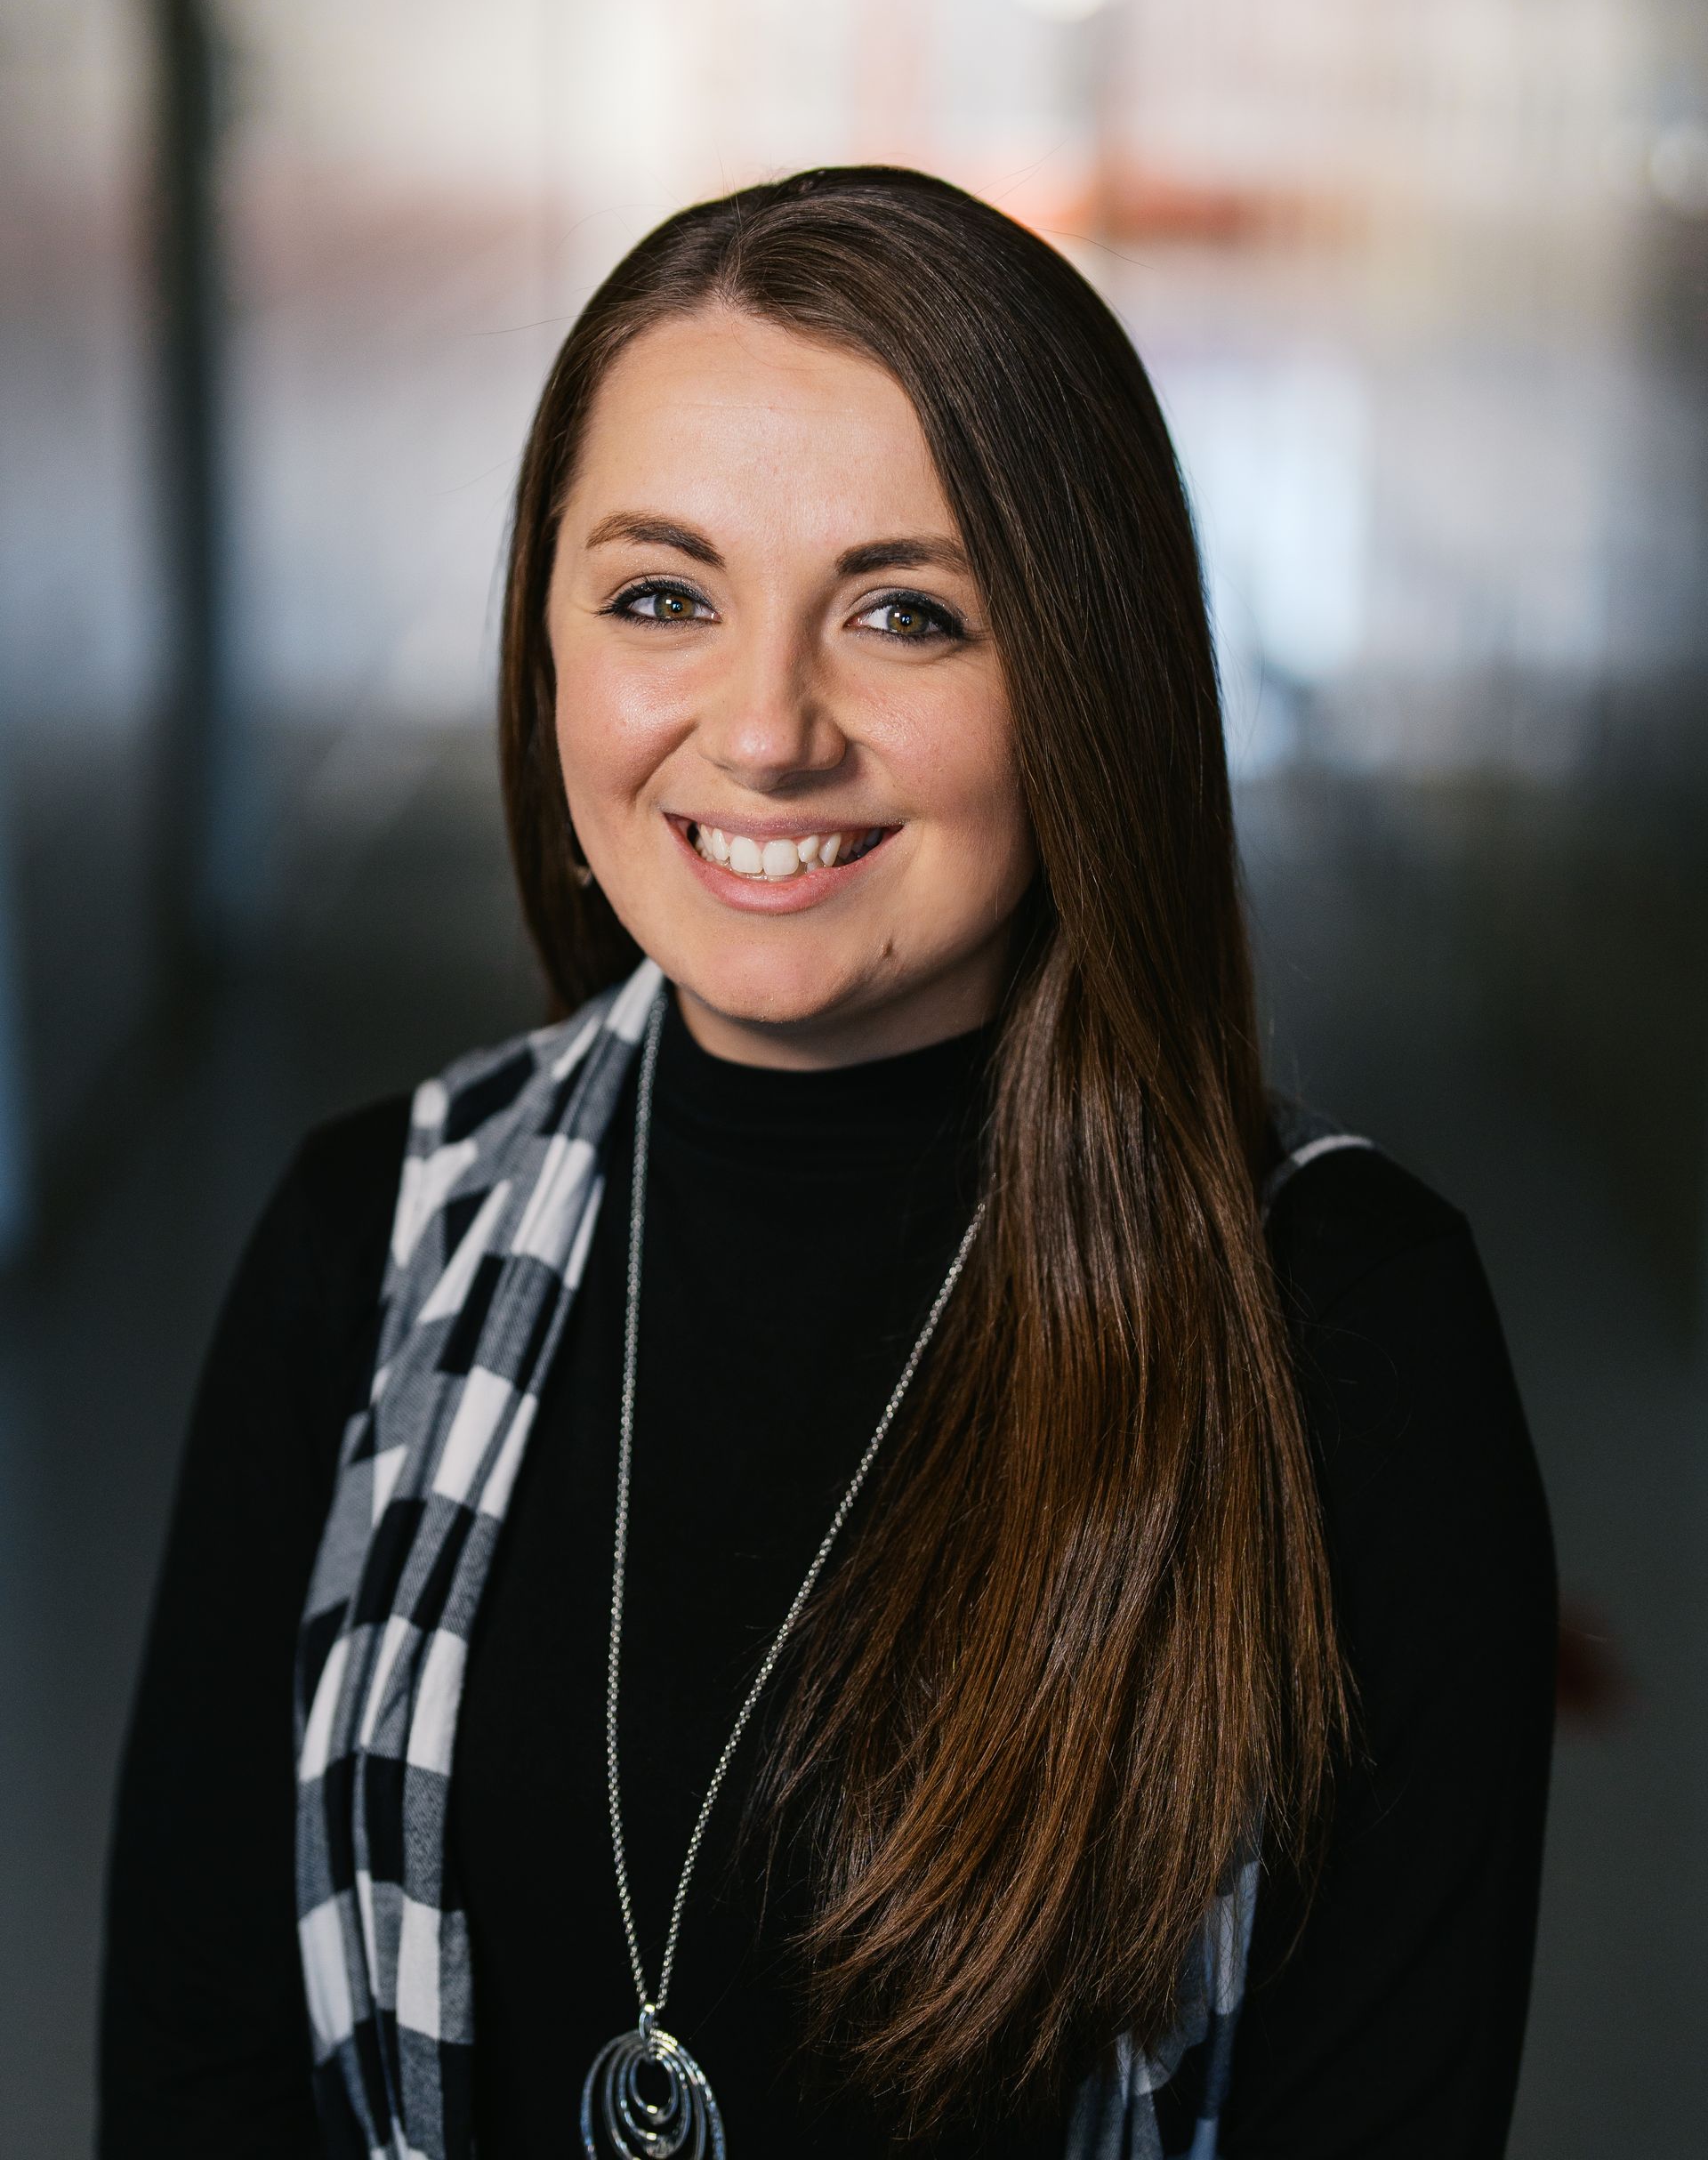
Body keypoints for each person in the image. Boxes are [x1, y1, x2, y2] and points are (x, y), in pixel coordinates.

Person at [100, 166, 1555, 2160]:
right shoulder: (373, 1240)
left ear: (1087, 671)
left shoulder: (1345, 1331)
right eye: (663, 596)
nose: (766, 731)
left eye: (906, 613)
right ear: (548, 635)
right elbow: (201, 2069)